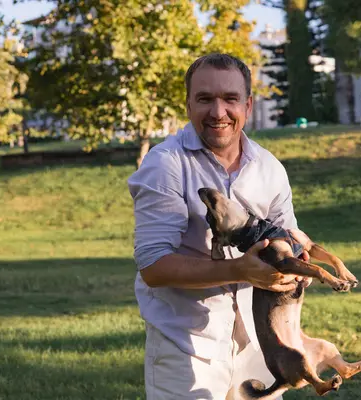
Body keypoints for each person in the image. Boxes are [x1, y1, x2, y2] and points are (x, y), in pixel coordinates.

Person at [127, 53, 309, 400]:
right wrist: (240, 269)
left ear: (248, 105)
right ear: (188, 104)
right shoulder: (165, 165)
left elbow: (290, 241)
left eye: (230, 99)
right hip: (186, 345)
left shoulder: (269, 168)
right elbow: (152, 267)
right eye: (205, 99)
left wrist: (299, 258)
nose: (218, 112)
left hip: (261, 342)